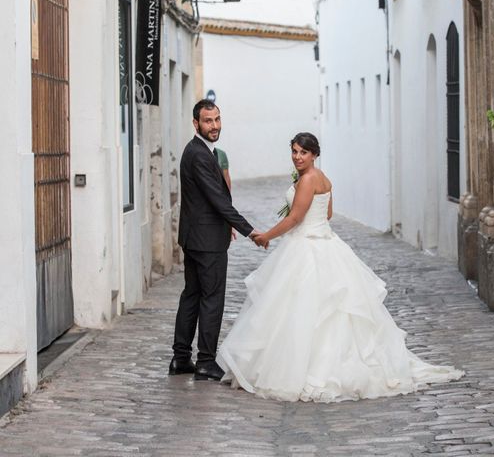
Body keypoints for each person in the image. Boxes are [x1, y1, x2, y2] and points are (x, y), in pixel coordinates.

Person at [216, 132, 464, 402]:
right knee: (327, 310)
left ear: (314, 155)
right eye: (295, 151)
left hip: (307, 246)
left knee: (301, 309)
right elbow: (328, 214)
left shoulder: (308, 179)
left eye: (304, 153)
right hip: (326, 243)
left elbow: (297, 218)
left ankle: (301, 370)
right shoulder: (324, 179)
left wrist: (266, 236)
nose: (298, 157)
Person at [169, 99, 264, 381]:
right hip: (206, 241)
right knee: (211, 299)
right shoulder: (199, 154)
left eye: (217, 120)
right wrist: (250, 231)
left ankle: (181, 358)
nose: (214, 126)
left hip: (197, 237)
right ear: (196, 123)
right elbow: (218, 199)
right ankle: (205, 362)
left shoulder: (200, 150)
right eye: (208, 121)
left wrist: (227, 225)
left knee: (192, 296)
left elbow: (206, 201)